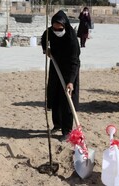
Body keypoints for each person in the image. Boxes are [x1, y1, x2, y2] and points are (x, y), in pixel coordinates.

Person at [41, 10, 80, 141]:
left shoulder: (71, 39)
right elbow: (44, 37)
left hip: (69, 70)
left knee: (67, 101)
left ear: (65, 26)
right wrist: (45, 49)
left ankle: (67, 131)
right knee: (55, 97)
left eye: (60, 29)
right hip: (55, 68)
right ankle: (57, 124)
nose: (57, 31)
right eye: (55, 28)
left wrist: (71, 81)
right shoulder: (50, 31)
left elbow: (75, 62)